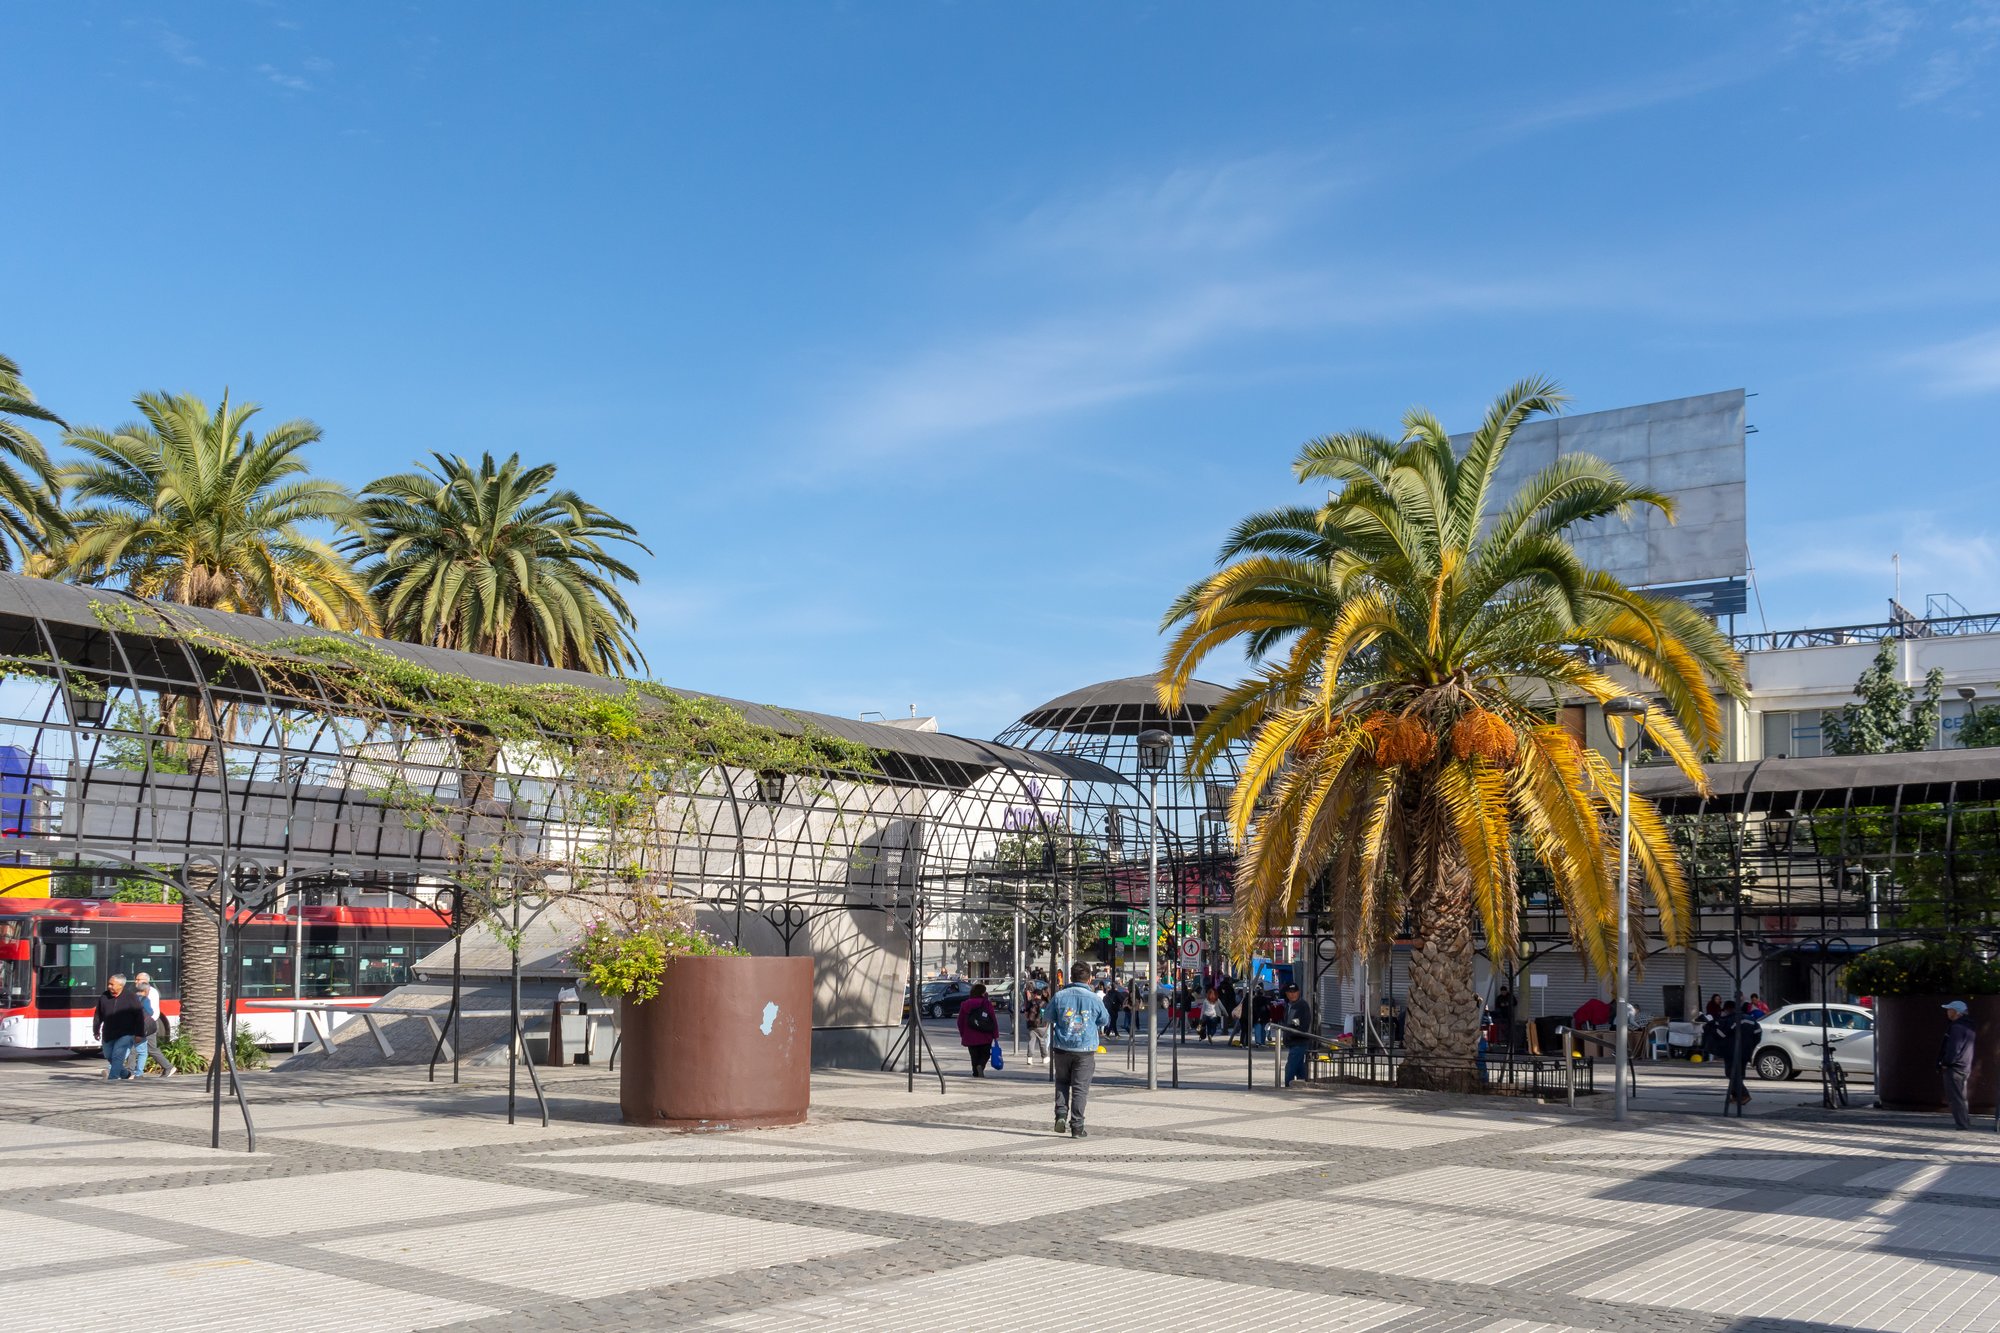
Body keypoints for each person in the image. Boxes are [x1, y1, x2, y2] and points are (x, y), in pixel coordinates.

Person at [1045, 966, 1110, 1138]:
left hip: (1061, 1047)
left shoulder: (1059, 996)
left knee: (1062, 1082)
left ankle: (1060, 1114)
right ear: (1089, 979)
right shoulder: (1094, 998)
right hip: (1085, 1049)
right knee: (1080, 1089)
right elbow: (1105, 1019)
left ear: (1071, 977)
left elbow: (1048, 1017)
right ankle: (1077, 1126)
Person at [91, 973, 148, 1081]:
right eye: (109, 984)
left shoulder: (131, 997)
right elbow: (98, 1014)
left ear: (121, 986)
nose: (109, 986)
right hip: (108, 1033)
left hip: (125, 1033)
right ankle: (125, 1073)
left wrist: (139, 1034)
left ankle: (113, 1078)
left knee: (118, 1056)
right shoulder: (104, 996)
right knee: (110, 1056)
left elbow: (139, 1016)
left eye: (112, 984)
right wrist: (96, 1030)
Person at [1939, 999, 1978, 1131]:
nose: (1947, 1013)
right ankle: (1965, 1121)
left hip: (1955, 1067)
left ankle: (1962, 1124)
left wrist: (1946, 1062)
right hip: (1965, 1065)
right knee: (1961, 1096)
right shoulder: (1969, 1026)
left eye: (1950, 1010)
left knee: (1955, 1097)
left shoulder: (1956, 1027)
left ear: (1957, 1012)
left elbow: (1953, 1048)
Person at [1715, 999, 1759, 1107]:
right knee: (1739, 1074)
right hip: (1747, 1050)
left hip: (1732, 1050)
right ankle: (1736, 1096)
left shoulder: (1732, 1020)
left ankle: (1744, 1095)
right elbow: (1758, 1033)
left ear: (1729, 1009)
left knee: (1731, 1073)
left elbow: (1722, 1034)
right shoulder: (1750, 1019)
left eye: (1725, 1010)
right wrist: (1751, 1045)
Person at [130, 972, 172, 1078]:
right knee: (140, 1048)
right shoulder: (138, 992)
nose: (135, 981)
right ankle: (167, 1067)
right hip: (143, 1024)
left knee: (142, 1048)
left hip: (148, 1025)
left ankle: (131, 1071)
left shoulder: (151, 992)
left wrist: (145, 1025)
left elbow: (151, 1011)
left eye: (138, 979)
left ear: (145, 981)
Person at [955, 983, 999, 1077]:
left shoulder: (965, 1004)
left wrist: (963, 1034)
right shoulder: (986, 1003)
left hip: (970, 1036)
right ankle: (981, 1065)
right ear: (982, 993)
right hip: (985, 1035)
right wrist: (995, 1034)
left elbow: (960, 1021)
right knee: (985, 1054)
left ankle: (975, 1072)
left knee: (974, 1056)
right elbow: (993, 1019)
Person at [1281, 982, 1314, 1086]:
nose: (1292, 994)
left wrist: (1292, 1033)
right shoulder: (1289, 1006)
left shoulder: (1302, 1005)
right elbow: (1288, 1022)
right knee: (1299, 1068)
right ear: (1286, 993)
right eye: (1290, 992)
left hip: (1299, 1042)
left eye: (1294, 992)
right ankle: (1302, 1085)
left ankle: (1287, 1087)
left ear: (1298, 992)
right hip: (1292, 1042)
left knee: (1290, 1067)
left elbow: (1303, 1025)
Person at [1023, 983, 1049, 1064]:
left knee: (1031, 1041)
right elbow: (1047, 1015)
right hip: (1042, 1025)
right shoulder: (1045, 1003)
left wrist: (1028, 1019)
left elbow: (1025, 1013)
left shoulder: (1030, 1002)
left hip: (1032, 1025)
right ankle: (1044, 1057)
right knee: (1042, 1041)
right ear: (1040, 995)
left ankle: (1029, 1058)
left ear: (1034, 994)